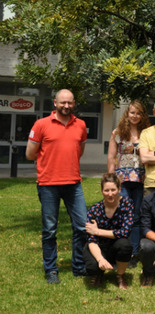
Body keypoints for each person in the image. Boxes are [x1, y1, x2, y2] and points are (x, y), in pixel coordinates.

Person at [26, 89, 88, 284]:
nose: (66, 106)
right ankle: (51, 270)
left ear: (74, 103)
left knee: (82, 227)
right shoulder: (41, 124)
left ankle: (79, 266)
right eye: (62, 102)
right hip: (48, 185)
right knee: (50, 230)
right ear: (55, 103)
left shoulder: (81, 125)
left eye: (69, 103)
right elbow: (29, 154)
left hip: (73, 184)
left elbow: (79, 151)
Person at [107, 100, 151, 267]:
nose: (135, 116)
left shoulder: (147, 133)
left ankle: (133, 252)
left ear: (143, 115)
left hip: (140, 180)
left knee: (137, 217)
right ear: (127, 113)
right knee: (124, 215)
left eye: (138, 113)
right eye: (132, 112)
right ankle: (121, 250)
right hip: (122, 180)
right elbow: (111, 157)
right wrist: (111, 180)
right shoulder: (118, 132)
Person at [83, 173, 133, 289]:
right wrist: (100, 259)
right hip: (99, 246)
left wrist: (98, 231)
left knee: (125, 244)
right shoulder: (94, 210)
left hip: (117, 246)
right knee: (92, 267)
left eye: (113, 190)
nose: (110, 194)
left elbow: (125, 232)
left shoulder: (127, 204)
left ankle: (120, 276)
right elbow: (91, 239)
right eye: (106, 190)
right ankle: (98, 273)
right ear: (101, 191)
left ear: (119, 189)